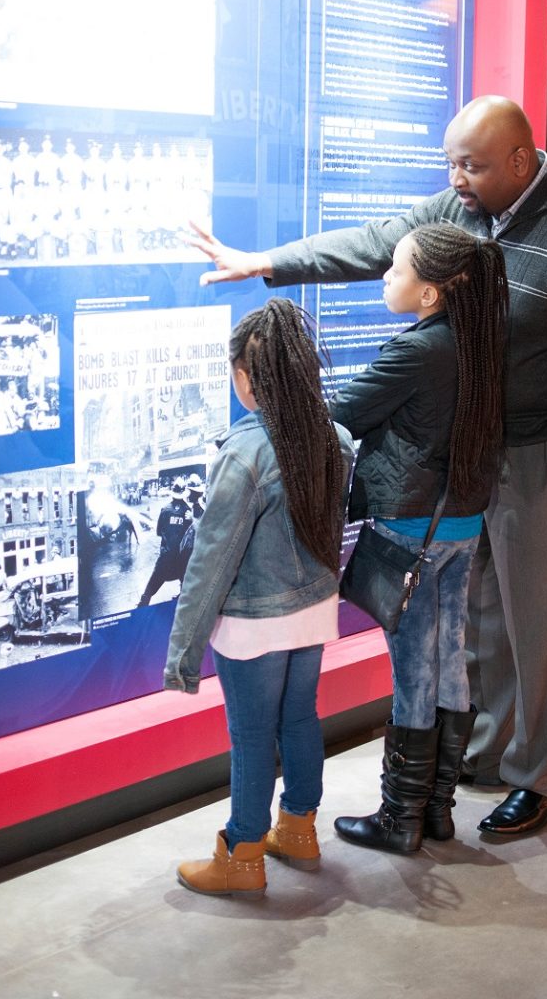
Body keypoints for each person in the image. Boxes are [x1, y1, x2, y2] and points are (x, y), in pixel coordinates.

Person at [186, 95, 547, 837]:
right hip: (468, 452)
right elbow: (375, 242)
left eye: (472, 165)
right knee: (479, 616)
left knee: (538, 620)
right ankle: (490, 752)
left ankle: (539, 776)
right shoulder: (457, 209)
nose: (457, 179)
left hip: (539, 455)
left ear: (522, 161)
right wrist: (266, 263)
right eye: (451, 164)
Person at [163, 298, 354, 899]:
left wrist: (183, 654)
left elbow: (210, 563)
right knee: (300, 718)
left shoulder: (243, 456)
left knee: (250, 737)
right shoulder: (331, 436)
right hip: (315, 607)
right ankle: (298, 829)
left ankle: (242, 851)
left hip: (254, 623)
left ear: (246, 380)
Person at [330, 223, 507, 853]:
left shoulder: (418, 351)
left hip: (410, 528)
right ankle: (435, 811)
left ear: (429, 293)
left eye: (396, 269)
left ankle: (398, 820)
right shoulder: (479, 339)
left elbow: (341, 414)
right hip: (460, 524)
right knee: (449, 658)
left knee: (413, 667)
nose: (385, 278)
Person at [136, 479, 191, 606]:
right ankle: (181, 597)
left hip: (166, 554)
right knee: (184, 575)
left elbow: (159, 532)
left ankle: (144, 601)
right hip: (181, 555)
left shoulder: (165, 510)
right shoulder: (188, 511)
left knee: (155, 578)